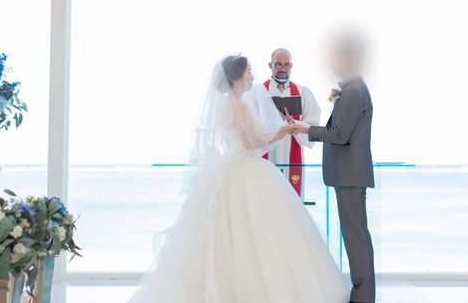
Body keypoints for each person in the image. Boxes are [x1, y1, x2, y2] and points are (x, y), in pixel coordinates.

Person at [129, 54, 348, 303]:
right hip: (246, 167)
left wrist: (276, 132)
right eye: (248, 73)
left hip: (231, 167)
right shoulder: (239, 106)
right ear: (237, 78)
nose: (252, 77)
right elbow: (251, 144)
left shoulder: (226, 105)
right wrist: (281, 133)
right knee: (260, 229)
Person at [292, 32, 375, 303]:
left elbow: (339, 134)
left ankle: (363, 298)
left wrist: (306, 129)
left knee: (356, 240)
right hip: (347, 175)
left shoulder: (353, 91)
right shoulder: (347, 89)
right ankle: (362, 296)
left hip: (350, 176)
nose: (331, 61)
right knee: (355, 239)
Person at [259, 48, 321, 196]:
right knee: (266, 195)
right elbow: (249, 123)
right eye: (278, 64)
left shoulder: (303, 93)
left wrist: (293, 123)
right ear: (270, 65)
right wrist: (271, 120)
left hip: (292, 147)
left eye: (287, 65)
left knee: (291, 198)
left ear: (291, 66)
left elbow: (313, 126)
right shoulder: (258, 92)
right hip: (268, 149)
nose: (283, 69)